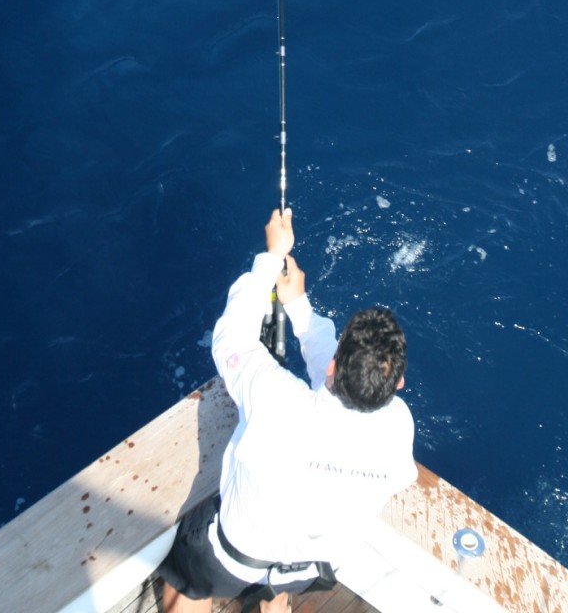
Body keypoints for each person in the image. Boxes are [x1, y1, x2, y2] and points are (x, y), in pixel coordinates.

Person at [160, 207, 417, 613]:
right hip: (311, 571)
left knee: (184, 573)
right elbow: (339, 387)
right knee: (296, 530)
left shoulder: (274, 396)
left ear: (334, 366)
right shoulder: (400, 427)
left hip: (234, 560)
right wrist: (298, 307)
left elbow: (230, 337)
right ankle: (274, 604)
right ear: (397, 385)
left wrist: (272, 255)